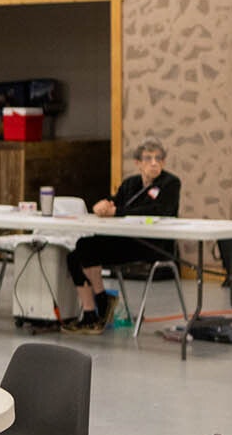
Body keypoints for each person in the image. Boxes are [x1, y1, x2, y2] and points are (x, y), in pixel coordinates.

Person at [63, 137, 182, 334]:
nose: (154, 163)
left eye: (158, 158)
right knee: (79, 251)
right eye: (148, 158)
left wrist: (117, 212)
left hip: (152, 245)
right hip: (126, 239)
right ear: (138, 163)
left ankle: (99, 308)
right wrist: (102, 205)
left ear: (164, 162)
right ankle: (93, 310)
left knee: (86, 251)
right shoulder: (130, 184)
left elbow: (158, 210)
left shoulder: (170, 183)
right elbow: (116, 202)